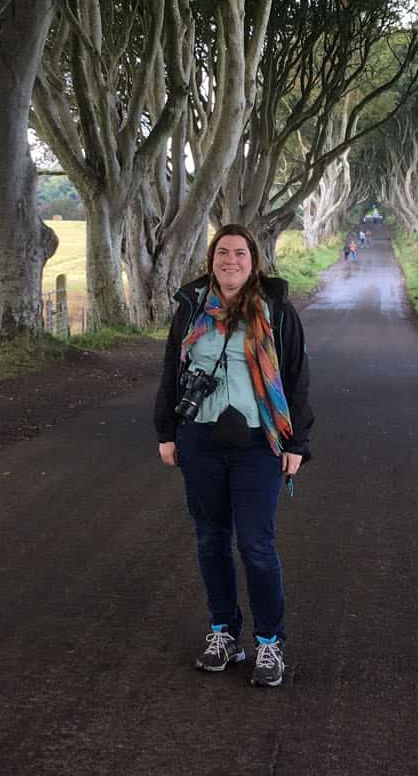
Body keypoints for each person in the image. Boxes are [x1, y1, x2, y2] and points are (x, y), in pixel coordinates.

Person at [154, 224, 313, 687]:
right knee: (210, 540)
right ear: (211, 259)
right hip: (199, 438)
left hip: (258, 442)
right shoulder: (191, 308)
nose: (231, 261)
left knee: (256, 545)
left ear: (253, 260)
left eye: (240, 253)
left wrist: (296, 443)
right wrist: (167, 433)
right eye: (222, 253)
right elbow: (171, 370)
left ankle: (269, 643)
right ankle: (223, 632)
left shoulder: (276, 310)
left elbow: (298, 378)